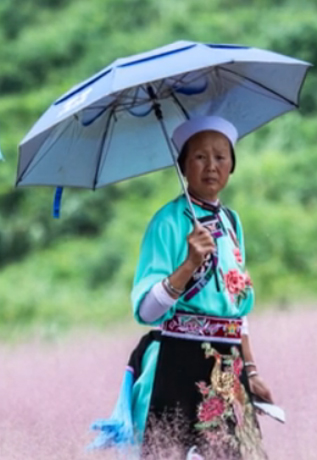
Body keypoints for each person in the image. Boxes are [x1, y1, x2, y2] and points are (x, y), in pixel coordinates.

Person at [91, 116, 273, 459]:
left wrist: (251, 371)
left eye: (220, 157)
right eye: (200, 157)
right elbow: (146, 311)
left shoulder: (232, 223)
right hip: (175, 362)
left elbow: (236, 307)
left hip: (226, 366)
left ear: (232, 166)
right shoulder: (168, 223)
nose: (211, 166)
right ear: (183, 165)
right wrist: (189, 265)